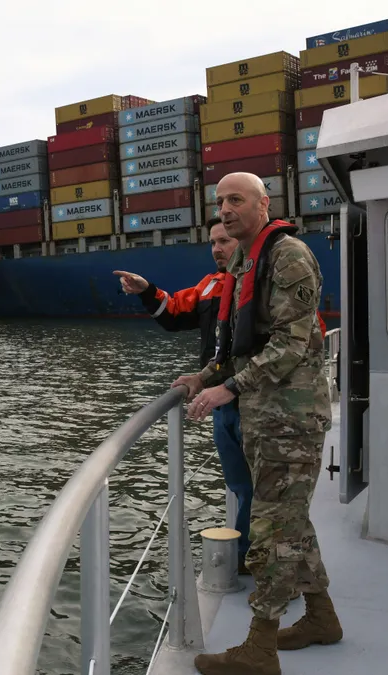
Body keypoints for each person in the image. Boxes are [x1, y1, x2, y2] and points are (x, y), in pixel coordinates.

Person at [174, 173, 339, 675]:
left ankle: (259, 648)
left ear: (265, 204)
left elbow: (290, 343)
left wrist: (229, 388)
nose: (224, 209)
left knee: (269, 529)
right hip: (265, 419)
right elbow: (241, 343)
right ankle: (321, 620)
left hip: (291, 417)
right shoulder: (245, 260)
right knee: (292, 521)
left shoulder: (287, 255)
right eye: (220, 201)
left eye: (236, 200)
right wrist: (203, 375)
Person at [113, 221, 254, 575]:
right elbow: (174, 311)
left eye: (224, 240)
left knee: (263, 488)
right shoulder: (210, 285)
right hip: (221, 405)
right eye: (212, 243)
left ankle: (257, 560)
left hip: (258, 402)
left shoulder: (266, 280)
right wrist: (148, 291)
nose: (217, 249)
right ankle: (248, 557)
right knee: (239, 485)